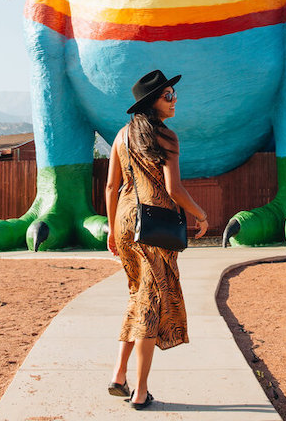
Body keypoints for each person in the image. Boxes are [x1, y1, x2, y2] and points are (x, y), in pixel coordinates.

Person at [105, 69, 208, 409]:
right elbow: (174, 189)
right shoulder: (167, 138)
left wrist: (110, 228)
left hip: (125, 221)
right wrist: (200, 214)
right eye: (168, 96)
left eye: (173, 94)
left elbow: (110, 186)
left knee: (138, 296)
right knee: (149, 306)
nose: (175, 100)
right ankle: (140, 390)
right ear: (152, 103)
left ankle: (119, 376)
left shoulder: (121, 136)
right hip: (153, 227)